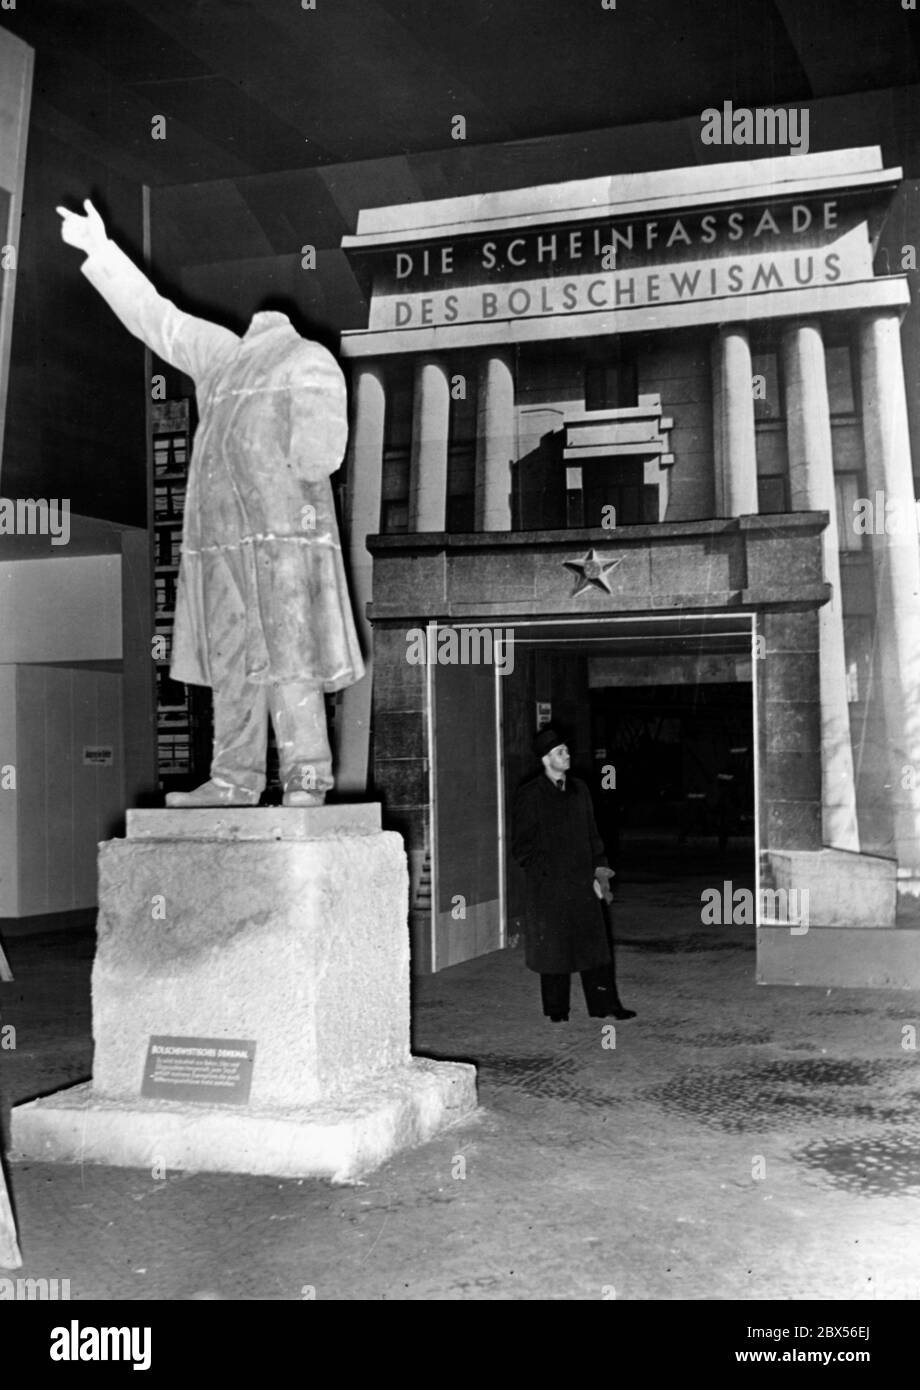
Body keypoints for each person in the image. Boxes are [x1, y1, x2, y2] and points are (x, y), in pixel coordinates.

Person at [57, 199, 364, 808]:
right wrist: (103, 252)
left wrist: (103, 250)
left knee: (287, 654)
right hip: (224, 542)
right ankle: (234, 779)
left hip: (282, 542)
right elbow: (159, 320)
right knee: (236, 658)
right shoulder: (228, 357)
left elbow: (319, 455)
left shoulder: (294, 357)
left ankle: (305, 775)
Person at [512, 727, 636, 1023]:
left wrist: (600, 872)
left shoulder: (580, 790)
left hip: (583, 883)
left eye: (566, 751)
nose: (567, 755)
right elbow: (522, 846)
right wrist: (545, 875)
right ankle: (557, 1010)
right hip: (549, 888)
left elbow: (594, 836)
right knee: (554, 951)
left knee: (595, 948)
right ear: (545, 759)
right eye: (560, 752)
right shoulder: (530, 795)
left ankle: (606, 1005)